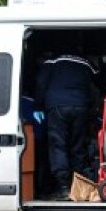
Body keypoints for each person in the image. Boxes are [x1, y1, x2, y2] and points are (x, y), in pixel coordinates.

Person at [35, 50, 99, 200]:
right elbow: (101, 80)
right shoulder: (86, 62)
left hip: (57, 106)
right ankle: (79, 187)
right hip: (81, 106)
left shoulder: (52, 61)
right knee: (78, 146)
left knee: (59, 146)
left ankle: (63, 188)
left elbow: (40, 83)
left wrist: (38, 106)